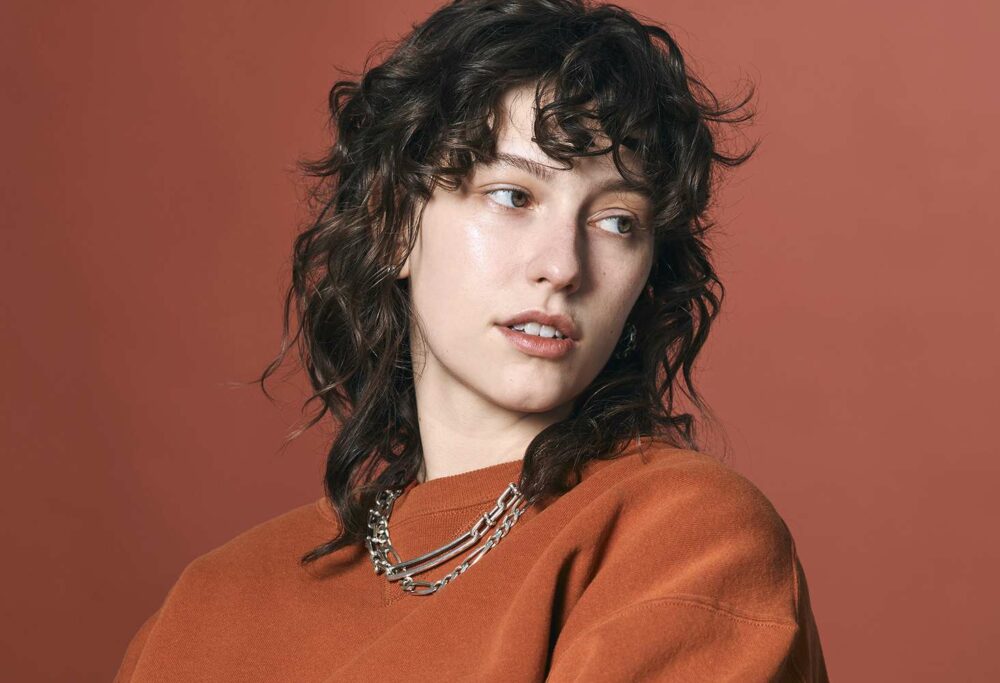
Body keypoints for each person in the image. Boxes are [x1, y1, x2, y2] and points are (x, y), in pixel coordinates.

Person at [115, 0, 829, 680]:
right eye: (513, 196)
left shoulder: (688, 539)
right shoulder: (207, 603)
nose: (563, 265)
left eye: (617, 221)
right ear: (396, 222)